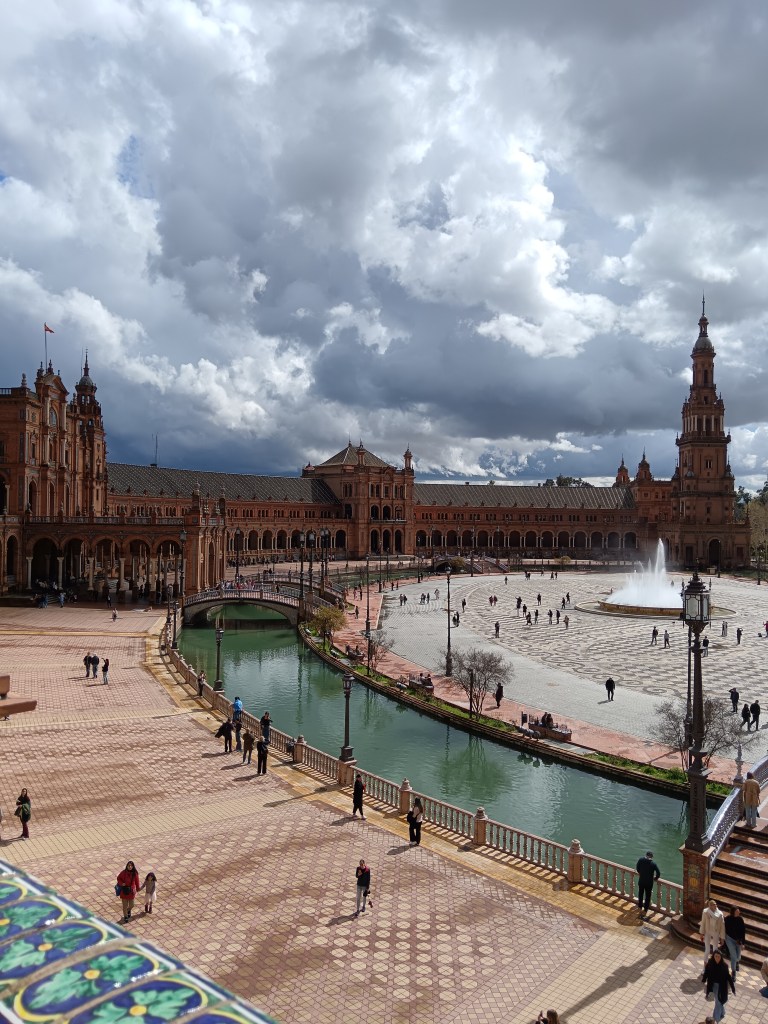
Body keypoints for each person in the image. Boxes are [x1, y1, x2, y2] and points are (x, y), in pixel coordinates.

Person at [702, 948, 734, 1022]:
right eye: (715, 956)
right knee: (718, 1001)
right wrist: (704, 980)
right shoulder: (710, 963)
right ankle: (722, 1013)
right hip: (712, 985)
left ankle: (715, 1019)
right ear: (713, 956)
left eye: (718, 957)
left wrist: (730, 988)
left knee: (718, 1001)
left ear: (721, 957)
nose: (717, 958)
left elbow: (727, 977)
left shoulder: (724, 966)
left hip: (721, 986)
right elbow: (706, 972)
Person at [700, 899, 726, 969]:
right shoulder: (705, 912)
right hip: (708, 931)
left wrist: (722, 938)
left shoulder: (720, 914)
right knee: (707, 950)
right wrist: (701, 933)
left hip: (716, 932)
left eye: (715, 904)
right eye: (713, 904)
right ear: (710, 906)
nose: (715, 905)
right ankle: (705, 968)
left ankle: (714, 967)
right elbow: (703, 923)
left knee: (715, 950)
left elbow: (722, 926)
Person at [635, 850, 660, 917]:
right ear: (652, 857)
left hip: (642, 881)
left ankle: (640, 906)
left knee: (640, 893)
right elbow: (658, 873)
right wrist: (655, 878)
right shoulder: (653, 864)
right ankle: (645, 909)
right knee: (648, 896)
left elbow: (637, 868)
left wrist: (641, 873)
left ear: (646, 855)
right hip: (649, 882)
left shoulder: (641, 860)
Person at [724, 906, 745, 975]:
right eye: (737, 911)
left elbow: (743, 932)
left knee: (738, 956)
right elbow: (724, 929)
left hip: (738, 940)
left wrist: (743, 943)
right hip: (729, 939)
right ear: (733, 912)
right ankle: (733, 972)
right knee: (733, 956)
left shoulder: (740, 919)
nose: (738, 912)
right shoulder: (727, 919)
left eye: (739, 911)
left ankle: (737, 962)